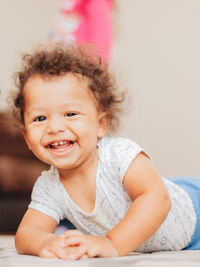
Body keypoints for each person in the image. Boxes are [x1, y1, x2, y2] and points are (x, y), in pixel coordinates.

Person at [13, 44, 200, 260]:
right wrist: (46, 242)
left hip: (194, 210)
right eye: (40, 118)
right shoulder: (49, 187)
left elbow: (156, 198)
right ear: (27, 138)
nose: (54, 127)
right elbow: (26, 233)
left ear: (101, 124)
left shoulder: (119, 156)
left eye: (71, 113)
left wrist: (113, 243)